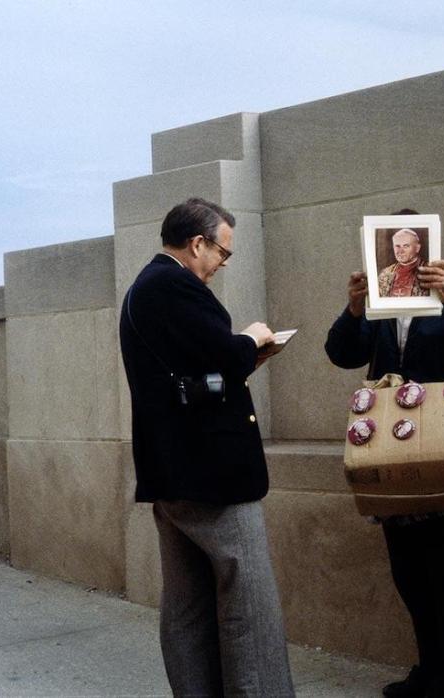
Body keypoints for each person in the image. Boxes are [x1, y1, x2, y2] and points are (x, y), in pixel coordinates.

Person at [325, 209, 444, 698]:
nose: (400, 253)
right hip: (390, 445)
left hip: (440, 443)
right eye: (392, 247)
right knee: (407, 570)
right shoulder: (379, 302)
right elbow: (341, 353)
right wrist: (355, 308)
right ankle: (428, 671)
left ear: (424, 248)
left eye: (408, 245)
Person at [119, 198, 294, 696]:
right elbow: (222, 352)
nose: (222, 263)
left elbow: (193, 368)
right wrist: (254, 338)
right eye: (223, 251)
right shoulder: (176, 285)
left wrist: (237, 355)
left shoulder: (144, 288)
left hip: (172, 474)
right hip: (214, 476)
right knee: (248, 605)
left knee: (187, 609)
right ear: (197, 243)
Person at [378, 227, 429, 297]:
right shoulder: (385, 273)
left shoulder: (428, 272)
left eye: (406, 246)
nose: (400, 251)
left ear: (417, 248)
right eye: (397, 246)